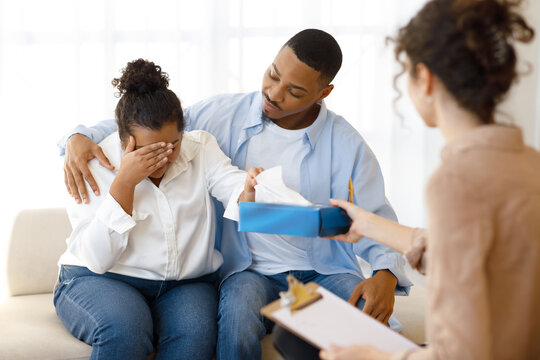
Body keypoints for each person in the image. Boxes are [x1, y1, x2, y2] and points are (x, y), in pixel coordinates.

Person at [58, 29, 412, 360]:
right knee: (228, 322)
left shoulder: (347, 146)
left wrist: (386, 273)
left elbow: (375, 216)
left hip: (322, 270)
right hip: (250, 271)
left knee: (368, 322)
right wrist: (78, 136)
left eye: (295, 91)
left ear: (323, 93)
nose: (274, 93)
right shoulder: (220, 115)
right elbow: (147, 119)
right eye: (273, 75)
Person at [279, 1, 539, 359]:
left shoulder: (457, 181)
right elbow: (469, 252)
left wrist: (374, 357)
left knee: (296, 338)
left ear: (425, 78)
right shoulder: (527, 162)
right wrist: (368, 224)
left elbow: (463, 351)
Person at [54, 59, 263, 360]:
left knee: (196, 337)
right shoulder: (92, 164)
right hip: (101, 278)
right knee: (126, 330)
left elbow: (232, 187)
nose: (164, 159)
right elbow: (97, 259)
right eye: (149, 151)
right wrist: (125, 182)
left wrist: (249, 188)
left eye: (172, 146)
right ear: (123, 138)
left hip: (186, 284)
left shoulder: (200, 148)